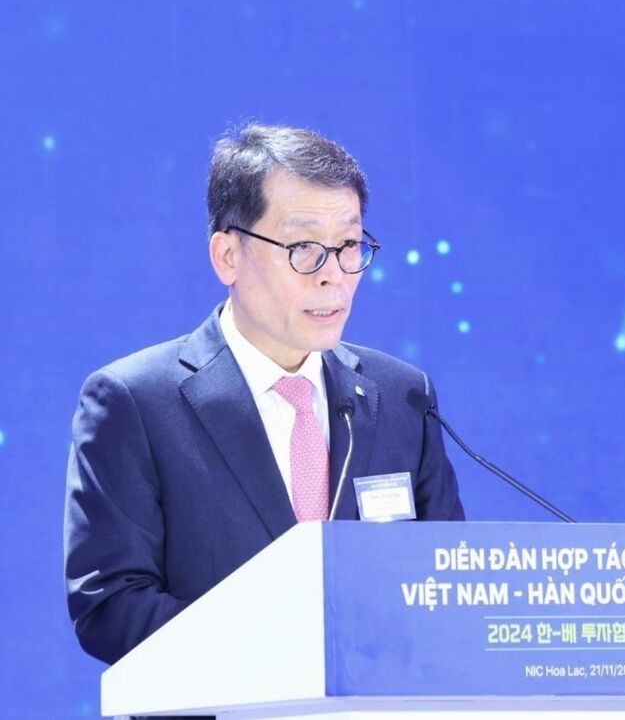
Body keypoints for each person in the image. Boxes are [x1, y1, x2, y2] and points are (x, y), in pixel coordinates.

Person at [63, 124, 465, 666]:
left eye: (349, 246)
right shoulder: (136, 403)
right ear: (227, 255)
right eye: (304, 249)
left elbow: (444, 587)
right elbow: (111, 605)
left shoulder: (402, 398)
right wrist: (284, 654)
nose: (333, 276)